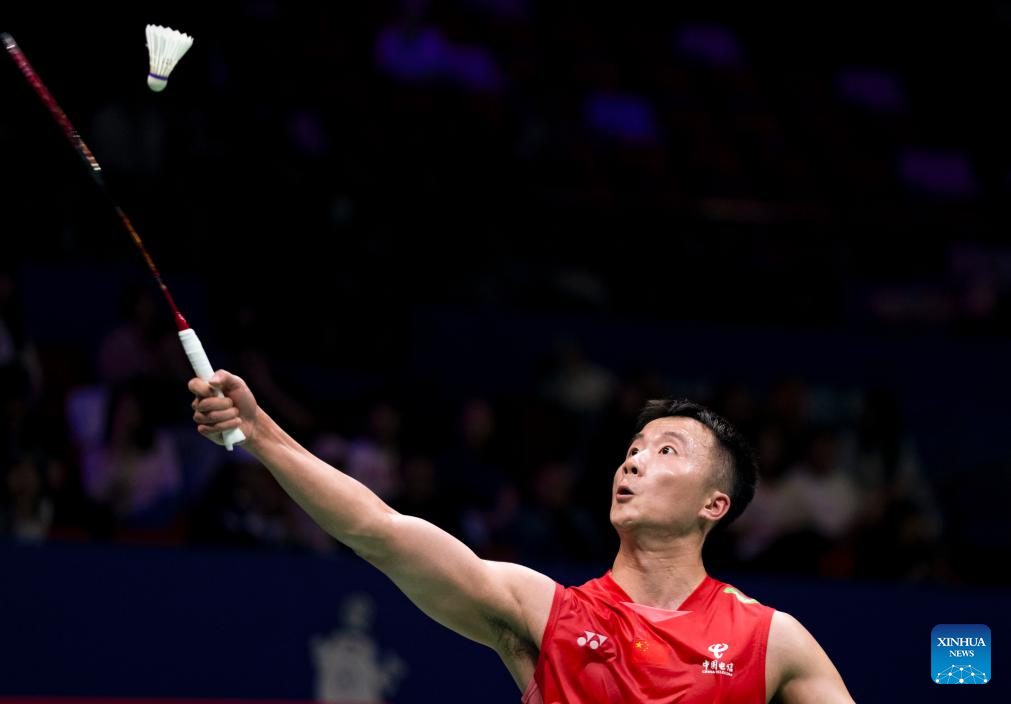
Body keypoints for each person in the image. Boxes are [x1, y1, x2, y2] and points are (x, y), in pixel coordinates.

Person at [189, 371, 854, 703]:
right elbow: (379, 531)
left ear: (715, 504)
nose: (633, 462)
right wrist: (261, 433)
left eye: (666, 451)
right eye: (632, 449)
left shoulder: (771, 642)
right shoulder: (545, 615)